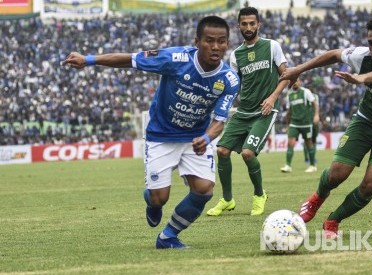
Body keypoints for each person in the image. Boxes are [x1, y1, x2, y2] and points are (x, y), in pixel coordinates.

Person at [63, 16, 240, 249]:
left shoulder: (229, 80)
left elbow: (219, 121)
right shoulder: (174, 59)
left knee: (204, 189)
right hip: (161, 135)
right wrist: (88, 60)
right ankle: (152, 202)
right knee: (159, 198)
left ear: (227, 43)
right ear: (197, 41)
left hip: (195, 138)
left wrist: (207, 137)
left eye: (221, 41)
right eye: (209, 41)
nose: (216, 47)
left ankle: (168, 237)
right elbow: (130, 59)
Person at [279, 16, 372, 237]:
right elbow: (334, 54)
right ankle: (317, 198)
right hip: (366, 121)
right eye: (371, 43)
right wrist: (299, 69)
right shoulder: (362, 56)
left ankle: (333, 219)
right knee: (337, 174)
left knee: (370, 185)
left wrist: (362, 78)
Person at [206, 7, 288, 216]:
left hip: (264, 112)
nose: (249, 27)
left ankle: (260, 195)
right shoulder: (236, 55)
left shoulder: (272, 47)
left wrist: (272, 97)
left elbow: (287, 75)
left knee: (247, 153)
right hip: (243, 112)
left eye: (252, 23)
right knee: (222, 151)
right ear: (239, 26)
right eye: (245, 24)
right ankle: (227, 199)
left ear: (259, 24)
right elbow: (233, 86)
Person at [280, 78, 320, 173]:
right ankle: (288, 165)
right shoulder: (289, 95)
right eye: (293, 81)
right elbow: (289, 111)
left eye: (296, 81)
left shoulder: (306, 92)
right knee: (290, 143)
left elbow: (315, 104)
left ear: (300, 82)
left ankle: (312, 165)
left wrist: (316, 115)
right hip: (294, 123)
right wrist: (288, 124)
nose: (294, 83)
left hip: (306, 123)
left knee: (309, 143)